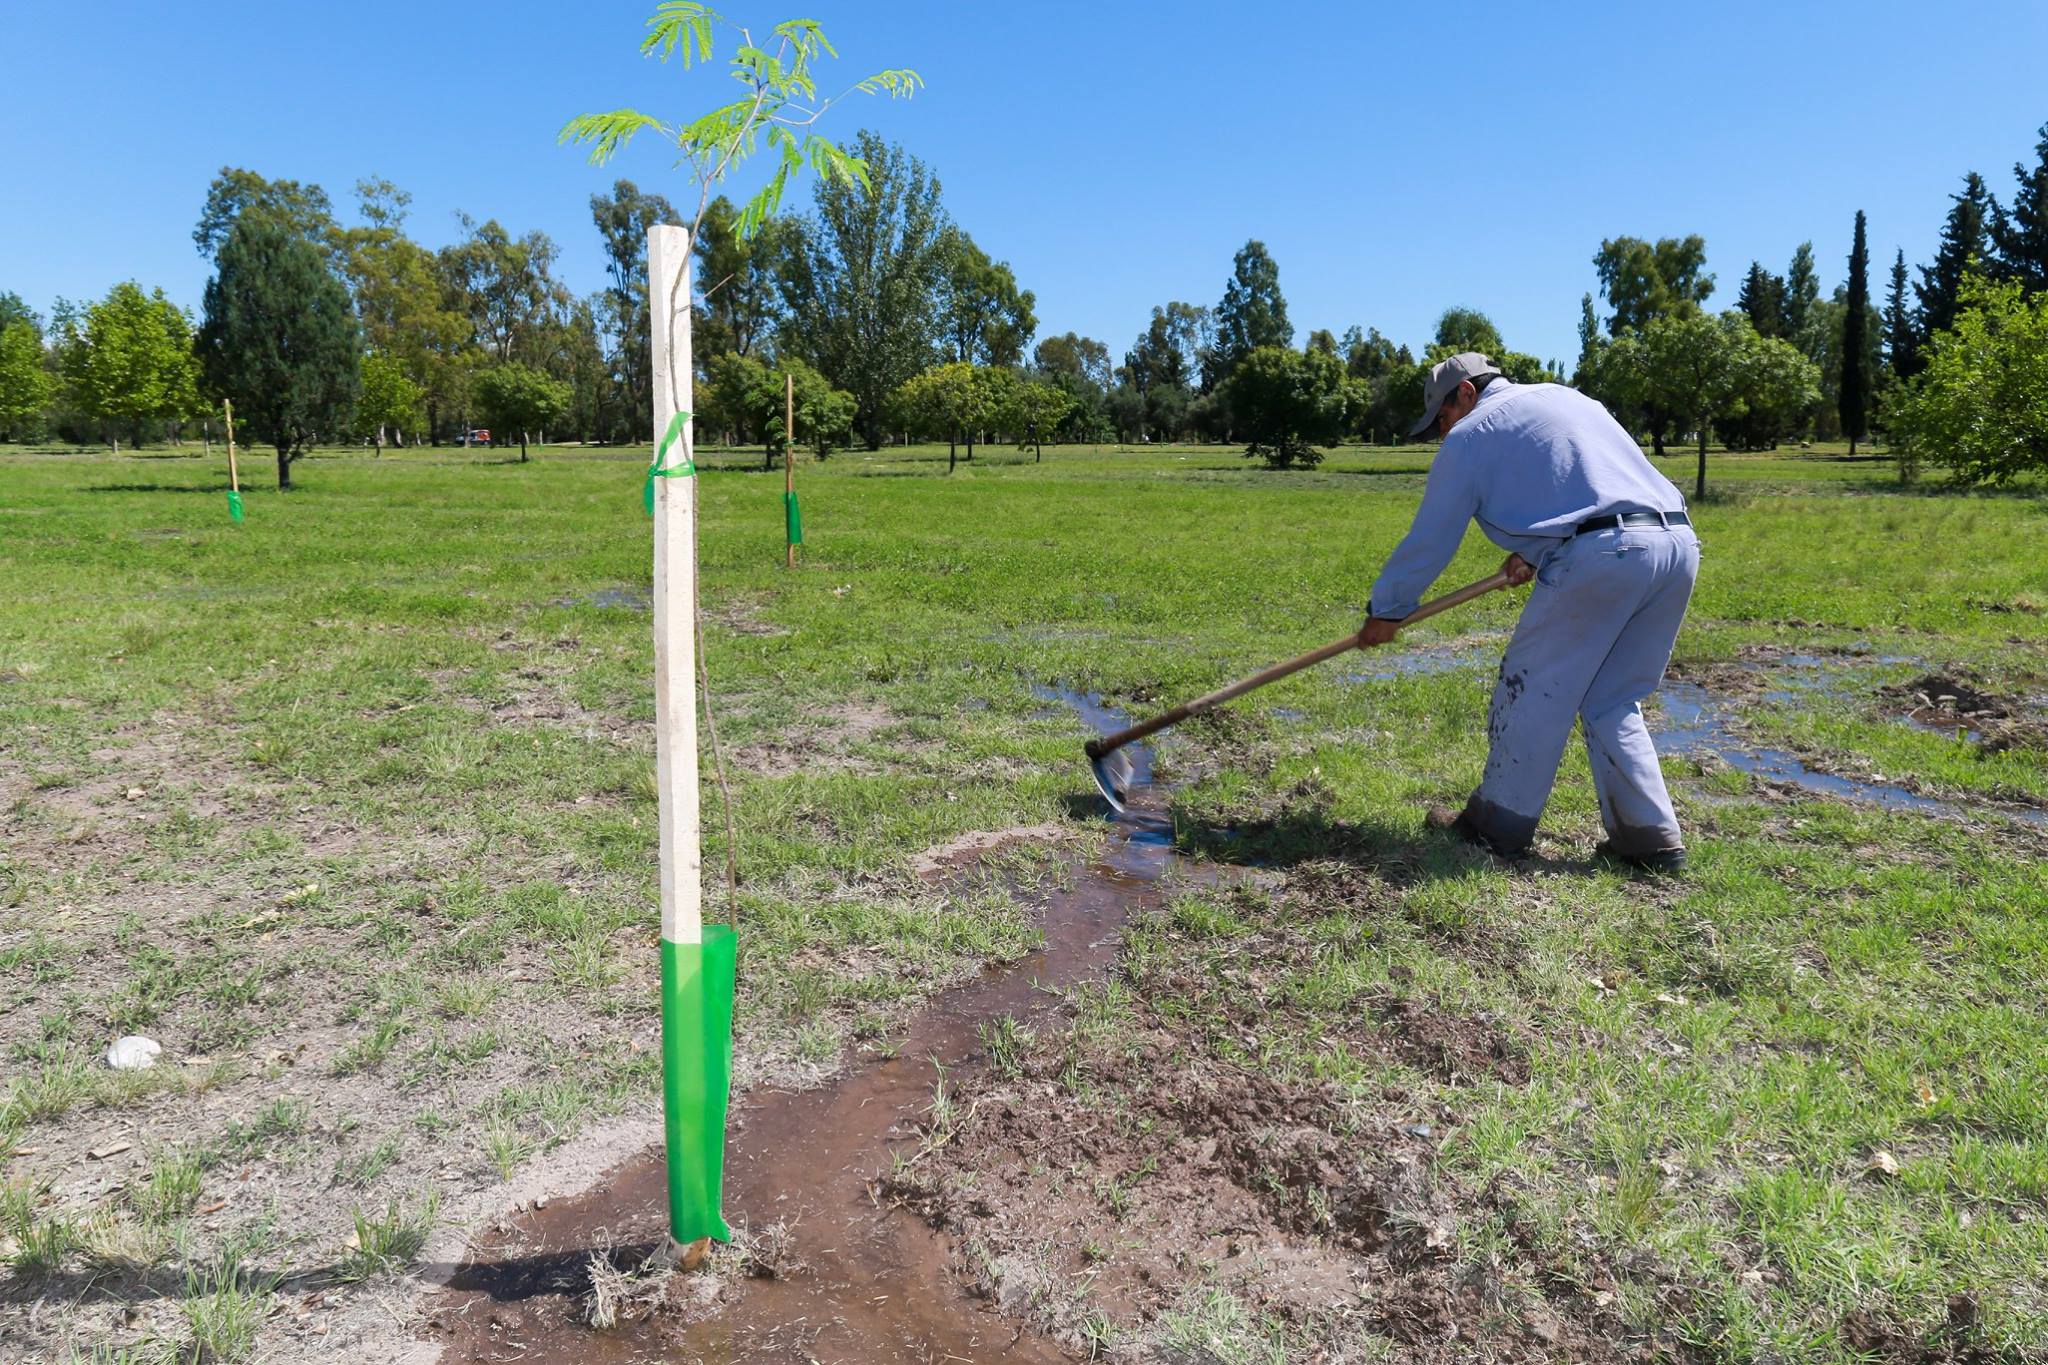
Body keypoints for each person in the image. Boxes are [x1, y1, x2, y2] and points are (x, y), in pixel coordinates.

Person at [1359, 352, 1700, 873]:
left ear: (1466, 395)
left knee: (1531, 687)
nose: (1442, 432)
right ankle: (1649, 842)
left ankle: (1494, 828)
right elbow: (1589, 483)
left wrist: (1388, 610)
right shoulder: (1569, 398)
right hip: (1674, 543)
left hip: (1605, 552)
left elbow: (1431, 538)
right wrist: (1538, 550)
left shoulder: (1471, 434)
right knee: (1612, 699)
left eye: (1441, 419)